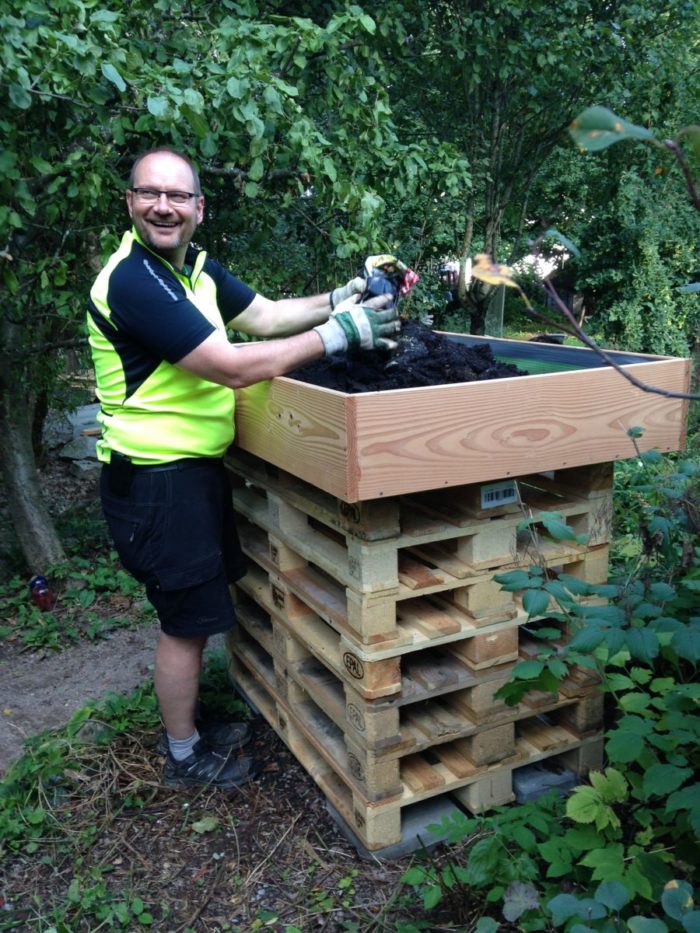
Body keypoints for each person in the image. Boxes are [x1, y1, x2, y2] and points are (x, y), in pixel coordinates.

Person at [87, 146, 400, 790]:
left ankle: (191, 728)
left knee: (200, 614)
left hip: (190, 473)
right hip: (155, 482)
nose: (163, 207)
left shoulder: (192, 268)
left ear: (199, 208)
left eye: (178, 196)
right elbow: (232, 364)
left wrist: (336, 299)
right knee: (184, 626)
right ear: (130, 202)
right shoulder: (133, 281)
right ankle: (183, 758)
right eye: (151, 194)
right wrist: (343, 332)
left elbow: (263, 317)